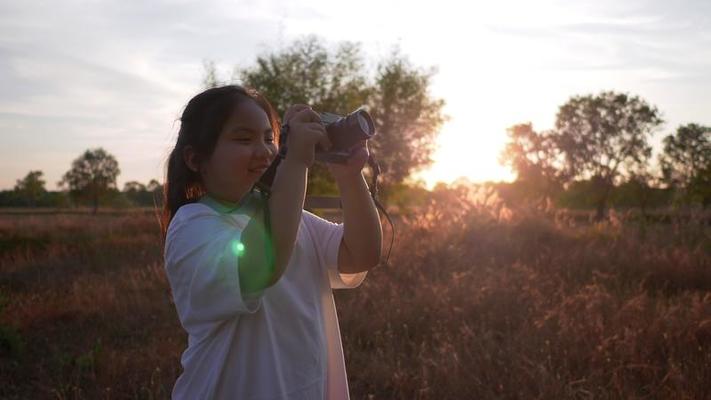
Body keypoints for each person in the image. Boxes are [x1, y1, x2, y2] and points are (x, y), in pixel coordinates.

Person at [161, 85, 383, 399]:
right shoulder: (193, 226)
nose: (265, 151)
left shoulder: (294, 220)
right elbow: (262, 268)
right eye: (243, 138)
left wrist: (349, 175)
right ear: (196, 159)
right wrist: (294, 163)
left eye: (270, 138)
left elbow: (362, 254)